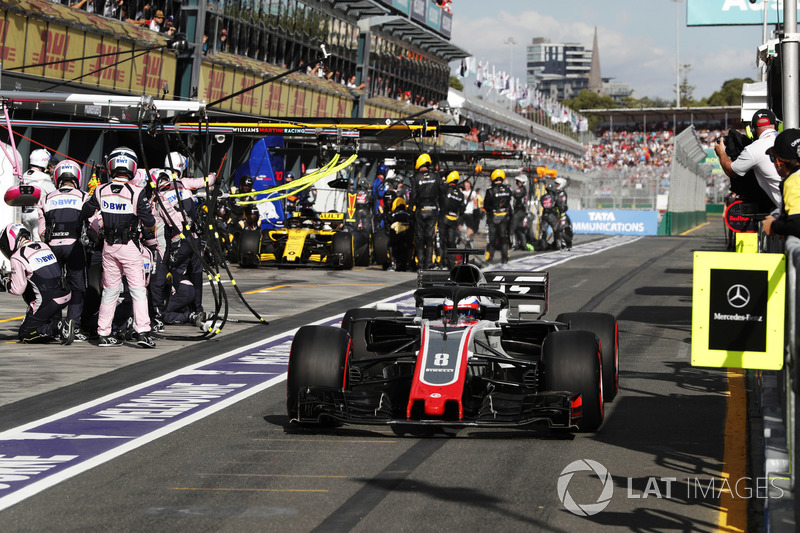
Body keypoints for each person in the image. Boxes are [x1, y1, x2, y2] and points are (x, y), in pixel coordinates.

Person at [81, 148, 157, 348]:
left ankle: (103, 333)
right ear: (132, 166)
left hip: (108, 247)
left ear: (111, 166)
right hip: (129, 247)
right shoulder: (136, 192)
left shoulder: (100, 190)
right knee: (138, 290)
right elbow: (149, 222)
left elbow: (86, 211)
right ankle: (143, 332)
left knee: (110, 291)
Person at [37, 159, 89, 341]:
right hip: (75, 246)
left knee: (55, 287)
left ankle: (56, 324)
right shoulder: (84, 196)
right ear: (77, 176)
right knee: (77, 287)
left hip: (53, 247)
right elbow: (93, 224)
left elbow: (41, 230)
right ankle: (73, 324)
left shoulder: (47, 197)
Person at [0, 223, 74, 344]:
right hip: (65, 293)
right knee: (34, 283)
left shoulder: (17, 256)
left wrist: (4, 281)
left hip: (49, 299)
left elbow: (18, 288)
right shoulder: (43, 245)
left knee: (26, 334)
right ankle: (54, 322)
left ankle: (59, 327)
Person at [714, 109, 781, 213]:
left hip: (790, 208)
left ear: (752, 131)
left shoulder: (753, 149)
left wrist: (721, 152)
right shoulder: (788, 139)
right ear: (776, 126)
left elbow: (730, 171)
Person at [763, 129, 800, 238]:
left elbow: (797, 224)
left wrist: (774, 225)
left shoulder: (794, 180)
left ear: (780, 162)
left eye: (773, 158)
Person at [409, 153, 440, 270]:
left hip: (421, 210)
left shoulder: (416, 178)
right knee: (430, 238)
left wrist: (410, 210)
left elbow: (413, 196)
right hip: (432, 209)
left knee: (420, 238)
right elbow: (440, 192)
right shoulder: (436, 176)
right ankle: (429, 264)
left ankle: (420, 264)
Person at [21, 149, 55, 241]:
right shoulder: (44, 177)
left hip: (24, 214)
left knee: (26, 241)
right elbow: (54, 194)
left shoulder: (24, 175)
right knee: (37, 242)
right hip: (37, 215)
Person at [483, 169, 512, 264]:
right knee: (503, 237)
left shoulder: (490, 190)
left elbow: (486, 206)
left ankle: (489, 258)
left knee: (492, 238)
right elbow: (508, 204)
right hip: (504, 216)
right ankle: (505, 257)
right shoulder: (508, 190)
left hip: (493, 216)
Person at [438, 170, 465, 267]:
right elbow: (462, 209)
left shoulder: (445, 188)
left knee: (441, 240)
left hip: (443, 217)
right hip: (453, 219)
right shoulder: (460, 194)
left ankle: (440, 262)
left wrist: (441, 178)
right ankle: (451, 263)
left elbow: (438, 187)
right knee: (451, 242)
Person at [510, 175, 529, 250]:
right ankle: (522, 244)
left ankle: (515, 245)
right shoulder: (522, 189)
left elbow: (515, 193)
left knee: (513, 228)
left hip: (519, 211)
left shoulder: (522, 190)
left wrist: (509, 190)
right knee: (520, 229)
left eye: (520, 181)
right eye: (518, 181)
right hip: (521, 211)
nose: (518, 183)